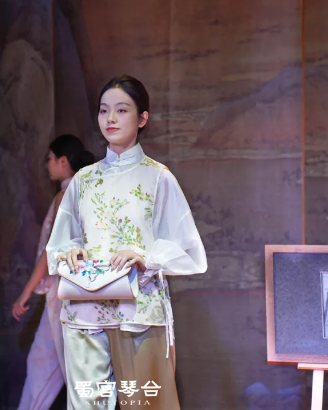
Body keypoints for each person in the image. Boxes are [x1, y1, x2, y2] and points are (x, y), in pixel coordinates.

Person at [46, 75, 207, 409]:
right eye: (104, 110)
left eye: (121, 110)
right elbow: (61, 241)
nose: (111, 118)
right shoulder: (83, 180)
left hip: (138, 309)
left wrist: (145, 255)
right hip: (84, 310)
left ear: (142, 118)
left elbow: (187, 246)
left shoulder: (158, 177)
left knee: (146, 403)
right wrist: (70, 251)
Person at [13, 134, 94, 410]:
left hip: (65, 292)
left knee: (51, 364)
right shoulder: (85, 192)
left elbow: (51, 251)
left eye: (49, 158)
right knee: (63, 366)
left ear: (63, 161)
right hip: (80, 291)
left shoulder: (66, 195)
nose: (46, 164)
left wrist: (25, 293)